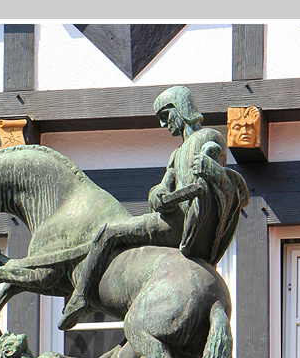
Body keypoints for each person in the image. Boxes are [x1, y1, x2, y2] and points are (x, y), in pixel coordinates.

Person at [58, 85, 249, 331]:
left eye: (165, 116)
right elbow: (163, 186)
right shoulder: (177, 153)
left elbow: (222, 174)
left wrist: (209, 168)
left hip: (178, 225)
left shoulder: (209, 136)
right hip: (169, 216)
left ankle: (81, 297)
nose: (163, 124)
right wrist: (157, 195)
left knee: (107, 231)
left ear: (180, 111)